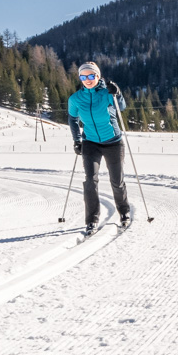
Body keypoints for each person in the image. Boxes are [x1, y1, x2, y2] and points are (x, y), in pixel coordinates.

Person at [67, 62, 132, 232]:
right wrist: (77, 140)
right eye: (83, 76)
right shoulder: (75, 99)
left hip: (113, 142)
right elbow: (72, 119)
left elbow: (122, 107)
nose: (87, 79)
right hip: (90, 143)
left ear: (98, 76)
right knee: (90, 181)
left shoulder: (107, 93)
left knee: (117, 181)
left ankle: (124, 212)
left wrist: (117, 93)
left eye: (91, 76)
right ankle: (92, 219)